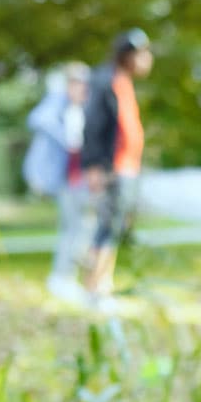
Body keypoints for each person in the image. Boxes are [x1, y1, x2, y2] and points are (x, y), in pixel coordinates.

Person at [79, 30, 154, 304]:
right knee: (105, 227)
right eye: (143, 54)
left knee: (114, 227)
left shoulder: (124, 82)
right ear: (129, 54)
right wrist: (95, 166)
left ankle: (102, 285)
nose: (148, 60)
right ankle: (94, 288)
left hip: (127, 167)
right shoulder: (105, 80)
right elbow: (94, 125)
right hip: (111, 168)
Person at [23, 63, 93, 301]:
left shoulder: (84, 108)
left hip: (80, 178)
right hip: (65, 178)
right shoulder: (58, 102)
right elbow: (38, 120)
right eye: (75, 83)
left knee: (81, 227)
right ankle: (61, 277)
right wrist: (68, 140)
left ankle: (69, 276)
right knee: (73, 227)